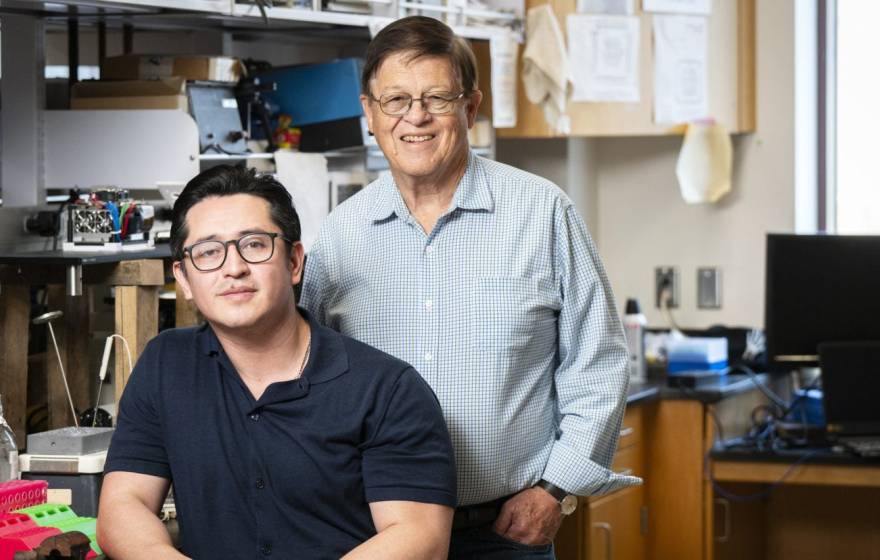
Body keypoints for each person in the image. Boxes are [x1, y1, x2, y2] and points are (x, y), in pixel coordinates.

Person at [300, 15, 641, 559]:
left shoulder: (542, 212)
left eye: (437, 97)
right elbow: (305, 373)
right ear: (369, 112)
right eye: (396, 100)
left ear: (471, 107)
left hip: (503, 534)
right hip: (375, 534)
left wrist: (555, 489)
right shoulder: (343, 233)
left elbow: (597, 363)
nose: (416, 117)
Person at [97, 165, 457, 560]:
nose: (233, 268)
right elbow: (123, 506)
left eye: (254, 244)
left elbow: (419, 537)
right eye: (208, 252)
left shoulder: (388, 390)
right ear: (183, 278)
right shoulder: (166, 364)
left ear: (294, 261)